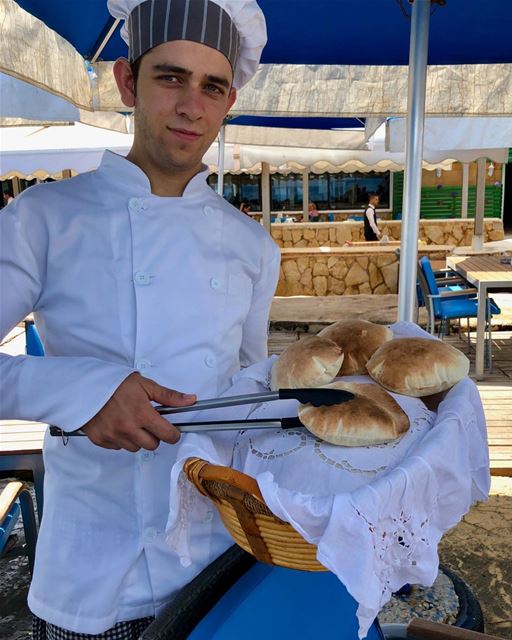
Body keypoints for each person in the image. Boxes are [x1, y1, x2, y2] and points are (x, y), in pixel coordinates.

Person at [0, 1, 276, 637]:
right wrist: (83, 392)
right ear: (128, 81)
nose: (190, 106)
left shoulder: (252, 246)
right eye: (170, 78)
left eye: (212, 87)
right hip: (92, 580)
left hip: (216, 565)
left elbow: (250, 397)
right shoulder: (45, 218)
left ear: (228, 101)